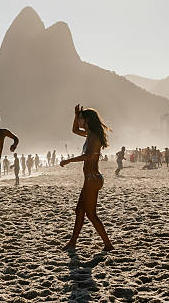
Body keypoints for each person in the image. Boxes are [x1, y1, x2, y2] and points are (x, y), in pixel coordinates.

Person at [59, 104, 114, 251]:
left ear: (88, 120)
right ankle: (72, 242)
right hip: (91, 178)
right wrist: (76, 115)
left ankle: (108, 245)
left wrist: (69, 160)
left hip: (92, 178)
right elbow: (74, 130)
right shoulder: (89, 133)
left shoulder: (94, 136)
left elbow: (89, 156)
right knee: (79, 210)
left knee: (90, 213)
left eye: (81, 119)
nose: (79, 122)